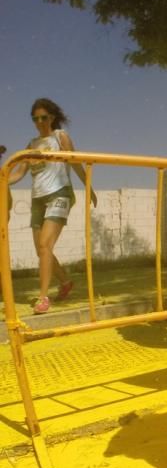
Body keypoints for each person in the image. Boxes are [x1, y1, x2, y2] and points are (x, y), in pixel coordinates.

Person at [6, 98, 96, 314]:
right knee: (41, 250)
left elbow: (75, 163)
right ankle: (65, 282)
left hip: (59, 193)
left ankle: (43, 297)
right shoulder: (32, 144)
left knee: (45, 245)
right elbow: (20, 172)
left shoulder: (60, 137)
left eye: (43, 117)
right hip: (38, 198)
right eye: (35, 118)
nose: (39, 122)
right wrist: (4, 178)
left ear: (52, 118)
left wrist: (89, 188)